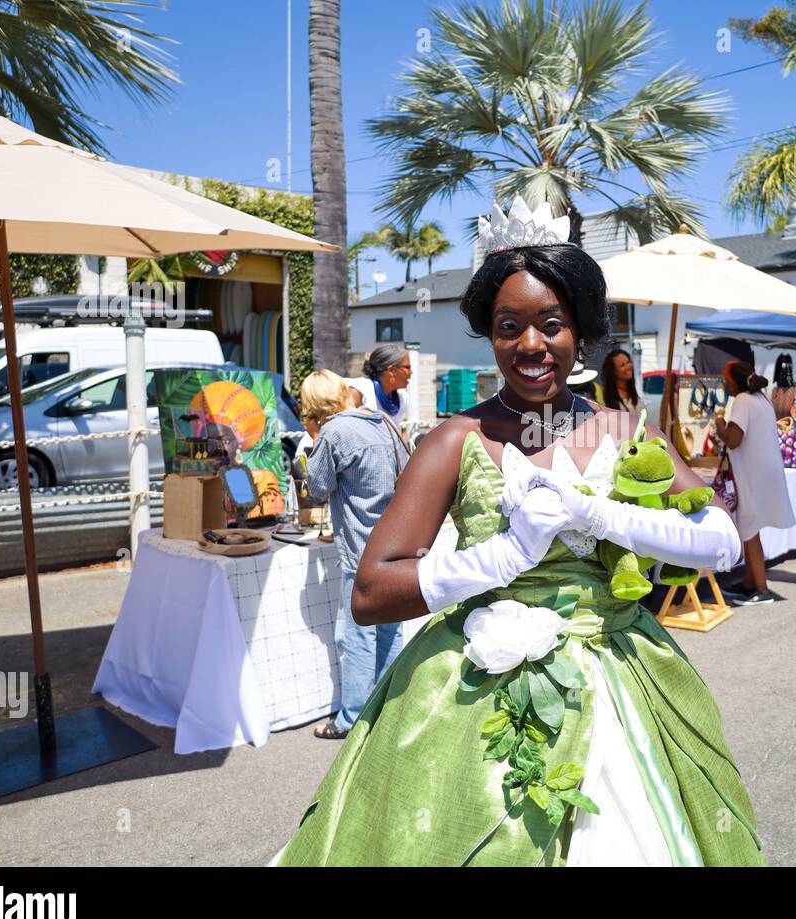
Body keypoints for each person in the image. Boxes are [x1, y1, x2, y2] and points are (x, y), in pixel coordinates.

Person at [277, 198, 763, 866]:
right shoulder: (453, 439)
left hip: (623, 675)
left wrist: (603, 516)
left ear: (581, 332)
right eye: (510, 327)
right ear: (492, 332)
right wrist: (506, 555)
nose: (531, 345)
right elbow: (371, 593)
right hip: (478, 677)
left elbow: (721, 539)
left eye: (551, 324)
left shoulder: (624, 429)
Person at [299, 369, 408, 739]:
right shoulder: (384, 424)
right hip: (397, 547)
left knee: (358, 635)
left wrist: (315, 438)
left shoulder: (333, 432)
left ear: (315, 405)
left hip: (361, 550)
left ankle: (352, 719)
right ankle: (389, 709)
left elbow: (316, 487)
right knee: (391, 630)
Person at [713, 360, 795, 606]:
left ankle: (761, 589)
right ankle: (750, 582)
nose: (725, 384)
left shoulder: (743, 401)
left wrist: (719, 424)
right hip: (764, 472)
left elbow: (734, 440)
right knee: (752, 527)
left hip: (752, 474)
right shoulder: (761, 399)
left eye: (727, 379)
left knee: (749, 529)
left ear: (734, 381)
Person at [347, 343, 412, 427]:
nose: (411, 373)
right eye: (407, 367)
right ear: (392, 370)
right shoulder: (359, 391)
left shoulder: (402, 398)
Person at [595, 347, 644, 416]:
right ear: (613, 371)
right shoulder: (604, 395)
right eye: (622, 365)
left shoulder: (632, 390)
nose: (628, 366)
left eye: (628, 362)